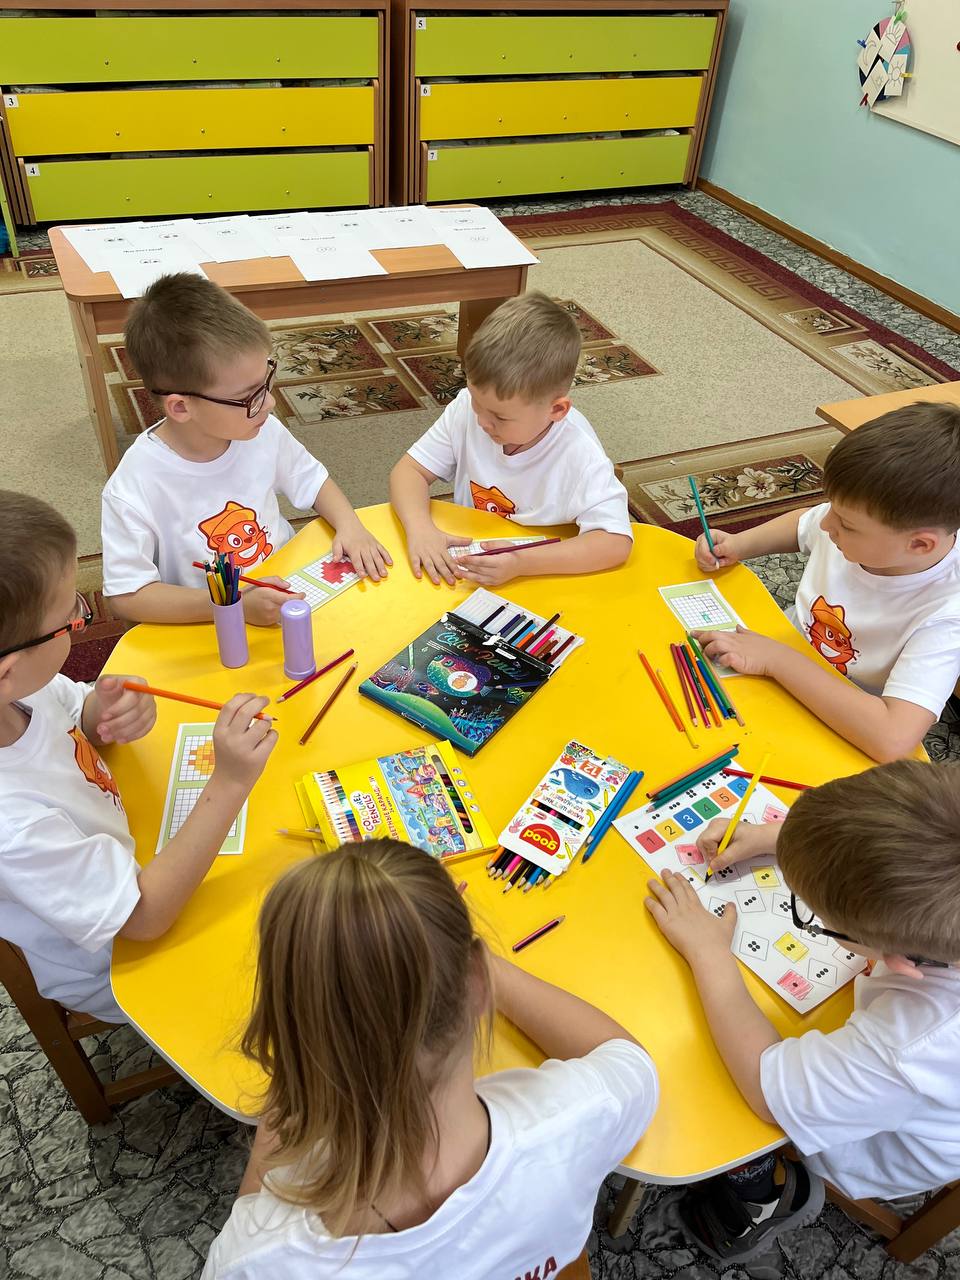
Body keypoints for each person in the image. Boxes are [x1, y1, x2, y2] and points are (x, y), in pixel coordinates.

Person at [203, 839, 658, 1278]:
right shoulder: (576, 1121)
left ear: (290, 1036)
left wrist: (284, 1109)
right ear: (477, 984)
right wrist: (442, 955)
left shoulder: (261, 1260)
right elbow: (627, 1059)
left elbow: (250, 1217)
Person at [645, 760, 960, 1263]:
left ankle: (766, 1197)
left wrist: (709, 953)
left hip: (876, 1145)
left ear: (899, 960)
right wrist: (784, 841)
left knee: (711, 1102)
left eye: (815, 915)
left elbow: (766, 1089)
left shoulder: (910, 1045)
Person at [0, 491, 276, 1022]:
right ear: (7, 670)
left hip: (137, 846)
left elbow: (73, 715)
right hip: (121, 966)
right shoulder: (13, 827)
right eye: (72, 616)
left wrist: (101, 711)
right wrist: (230, 782)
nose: (83, 618)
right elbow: (144, 918)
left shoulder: (20, 693)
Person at [102, 273, 391, 626]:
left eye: (266, 380)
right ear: (180, 407)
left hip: (286, 587)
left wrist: (350, 526)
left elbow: (313, 481)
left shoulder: (262, 429)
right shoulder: (134, 486)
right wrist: (232, 606)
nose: (269, 403)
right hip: (207, 621)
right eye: (248, 397)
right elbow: (127, 597)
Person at [691, 403, 960, 761]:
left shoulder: (947, 614)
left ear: (920, 545)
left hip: (842, 713)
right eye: (831, 506)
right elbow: (804, 523)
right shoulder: (856, 525)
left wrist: (776, 660)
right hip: (780, 652)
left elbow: (892, 739)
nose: (826, 524)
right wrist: (740, 544)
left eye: (846, 524)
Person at [389, 292, 633, 588]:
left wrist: (522, 563)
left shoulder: (580, 453)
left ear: (556, 410)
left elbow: (615, 543)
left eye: (500, 417)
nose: (482, 421)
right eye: (477, 401)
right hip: (478, 559)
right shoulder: (467, 408)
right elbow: (409, 471)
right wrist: (420, 529)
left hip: (548, 572)